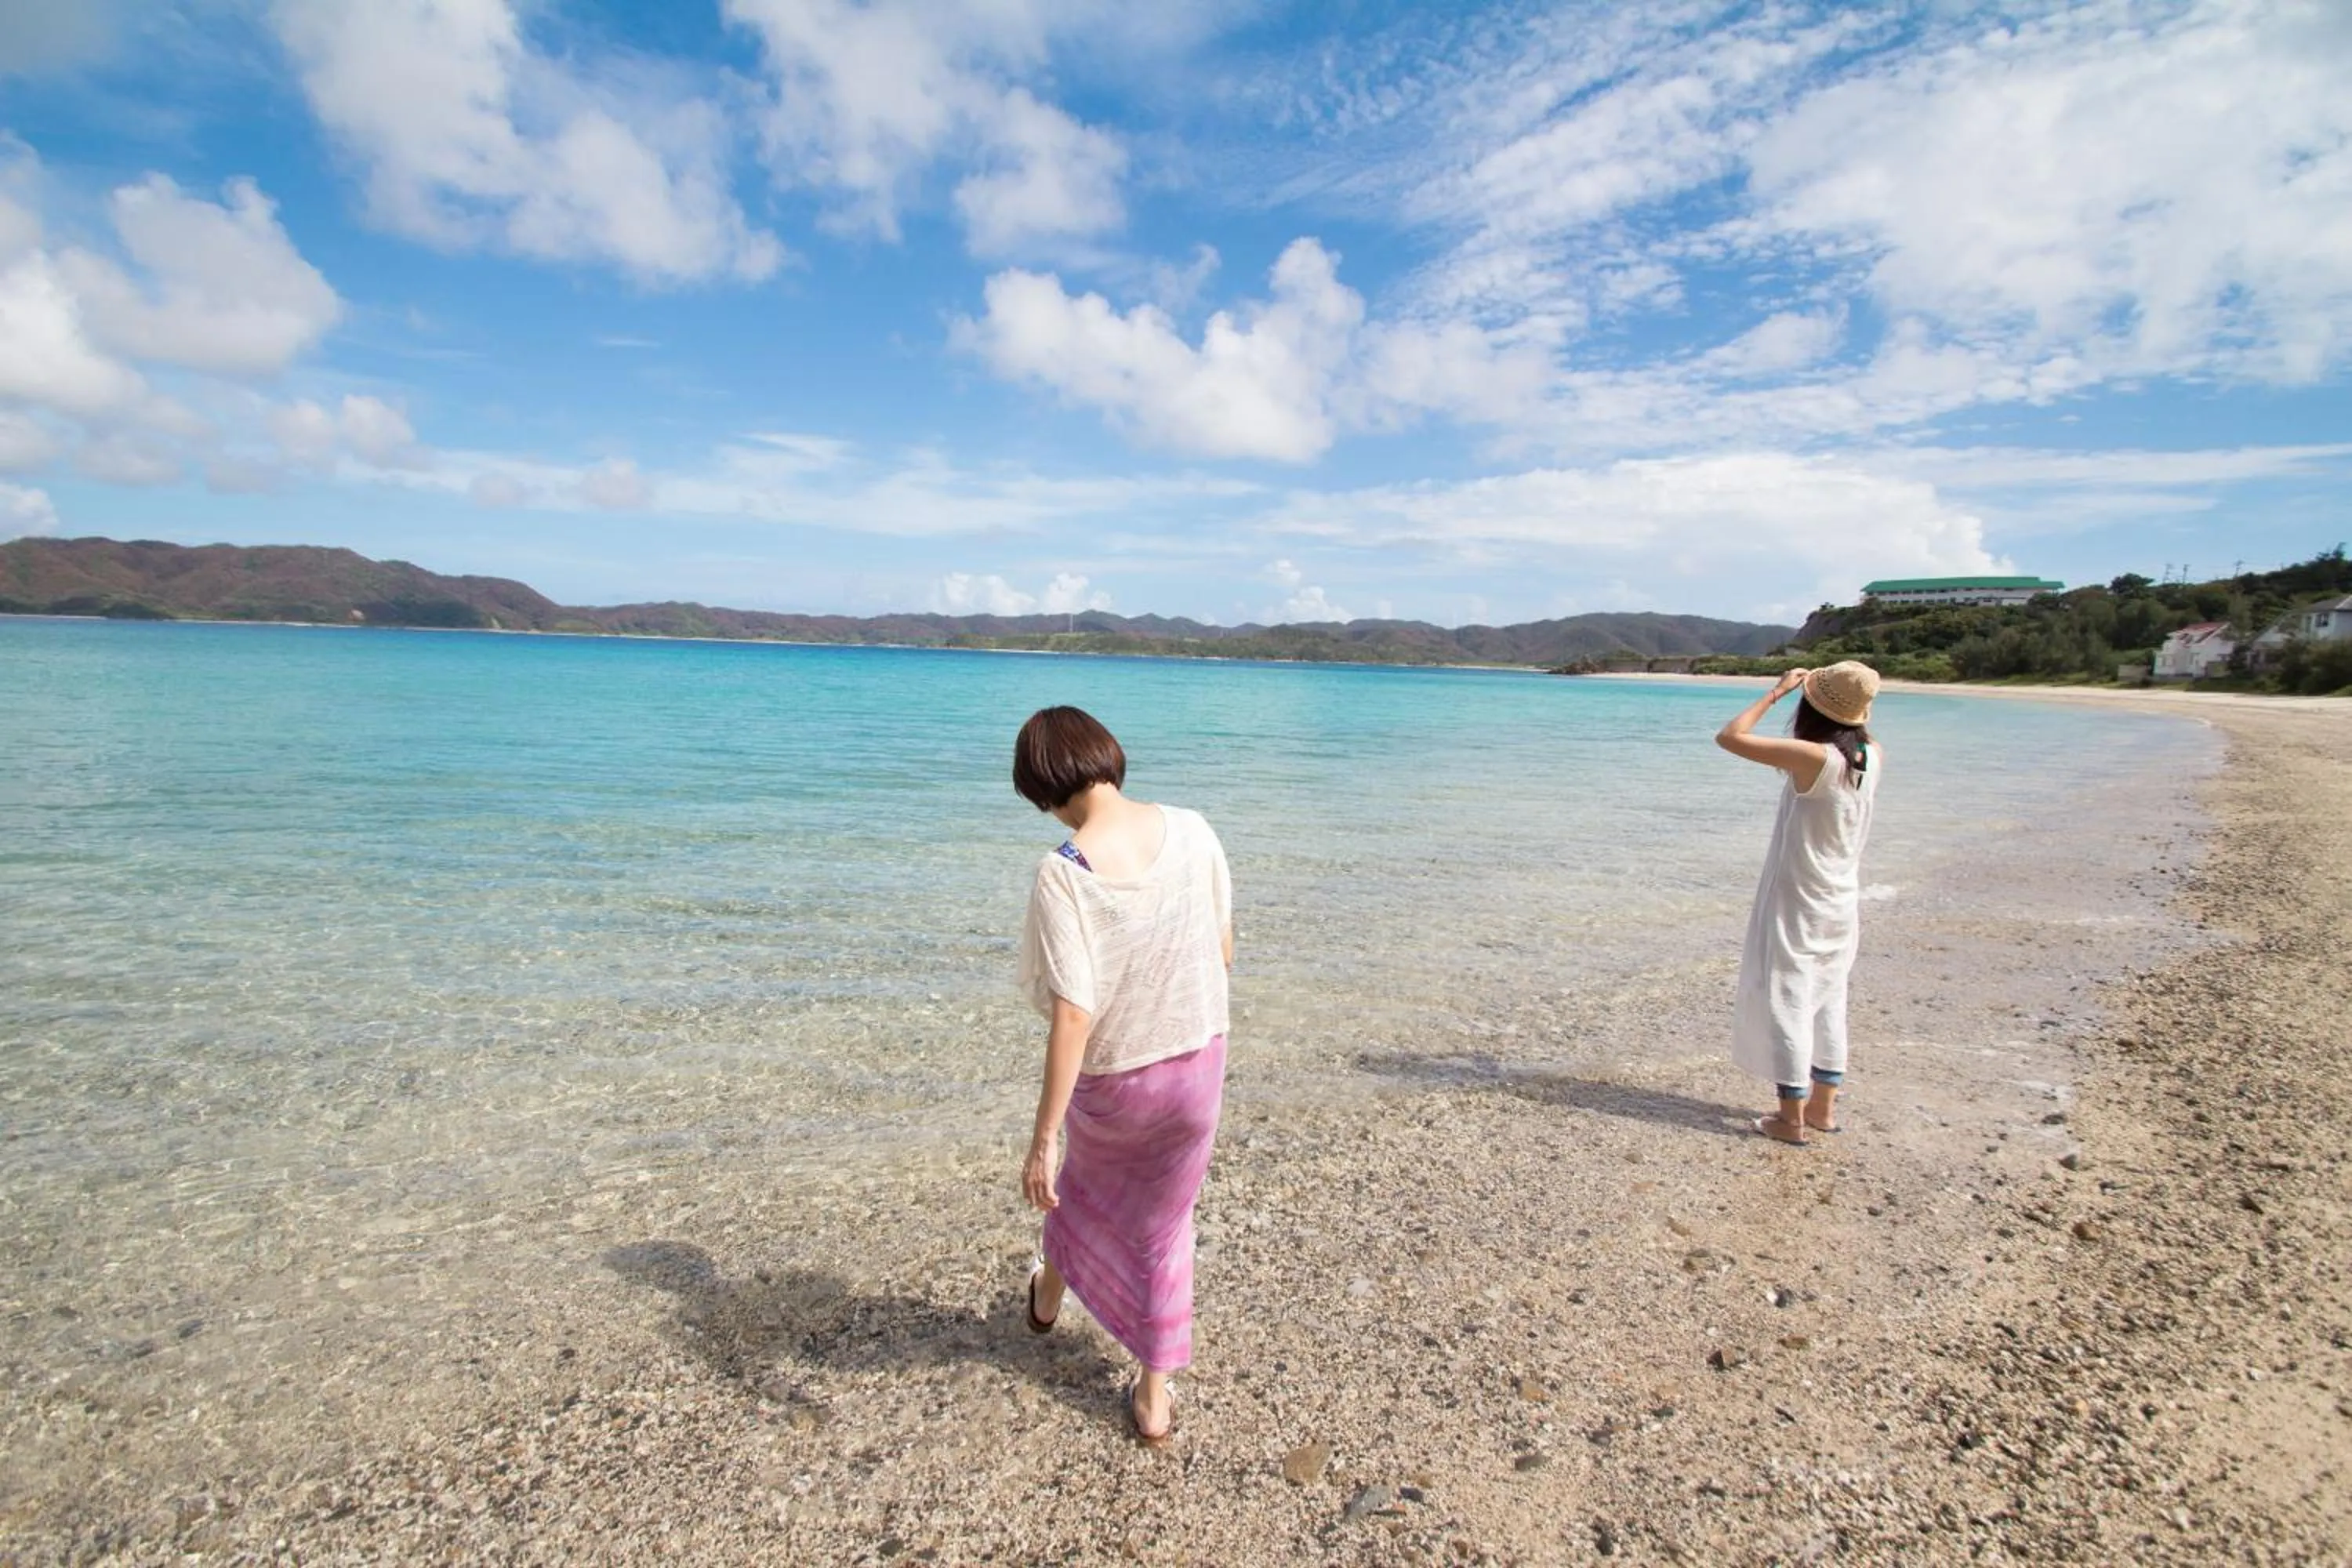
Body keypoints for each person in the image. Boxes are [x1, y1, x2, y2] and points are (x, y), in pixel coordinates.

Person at [1011, 706, 1234, 1446]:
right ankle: (1153, 1396)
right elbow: (1224, 946)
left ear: (1045, 787)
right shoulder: (1195, 830)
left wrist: (1042, 1136)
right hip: (1199, 1067)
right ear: (1107, 757)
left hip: (1120, 1083)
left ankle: (1048, 1292)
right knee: (1166, 1228)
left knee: (1079, 1190)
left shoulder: (1064, 871)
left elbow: (1075, 1012)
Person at [1715, 662, 1882, 1145]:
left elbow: (1730, 736)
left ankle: (1790, 1118)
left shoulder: (1815, 758)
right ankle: (1822, 1109)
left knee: (1788, 996)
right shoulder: (1872, 755)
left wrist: (1776, 692)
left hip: (1800, 898)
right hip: (1841, 896)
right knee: (1829, 997)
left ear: (1813, 703)